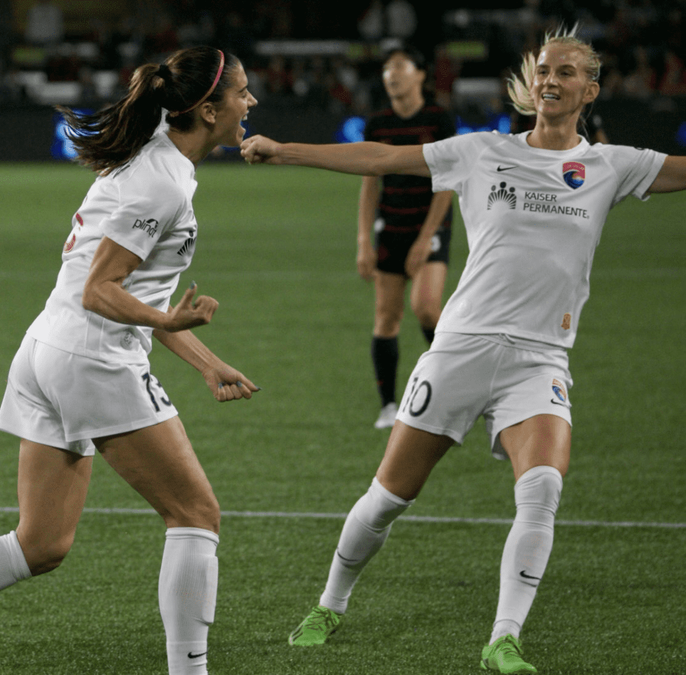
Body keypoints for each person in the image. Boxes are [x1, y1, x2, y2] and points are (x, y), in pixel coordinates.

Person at [241, 25, 684, 674]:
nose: (551, 81)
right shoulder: (482, 151)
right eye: (543, 71)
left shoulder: (609, 167)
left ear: (589, 89)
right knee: (389, 497)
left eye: (566, 73)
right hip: (460, 350)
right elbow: (384, 159)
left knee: (541, 490)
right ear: (532, 85)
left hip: (540, 360)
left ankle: (504, 638)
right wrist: (285, 151)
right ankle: (330, 603)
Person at [0, 46, 260, 675]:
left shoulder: (157, 166)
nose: (251, 103)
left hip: (47, 351)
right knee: (194, 514)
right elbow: (102, 290)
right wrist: (168, 322)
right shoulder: (161, 180)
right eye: (243, 93)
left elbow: (138, 295)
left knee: (41, 544)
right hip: (91, 358)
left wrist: (202, 359)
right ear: (205, 107)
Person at [357, 46, 456, 430]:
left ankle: (451, 391)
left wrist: (426, 237)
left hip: (428, 227)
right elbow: (369, 186)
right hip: (391, 227)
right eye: (386, 69)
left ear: (420, 75)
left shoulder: (438, 119)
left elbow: (447, 186)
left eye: (400, 67)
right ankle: (388, 407)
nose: (391, 75)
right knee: (386, 317)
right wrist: (363, 239)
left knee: (428, 309)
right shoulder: (377, 123)